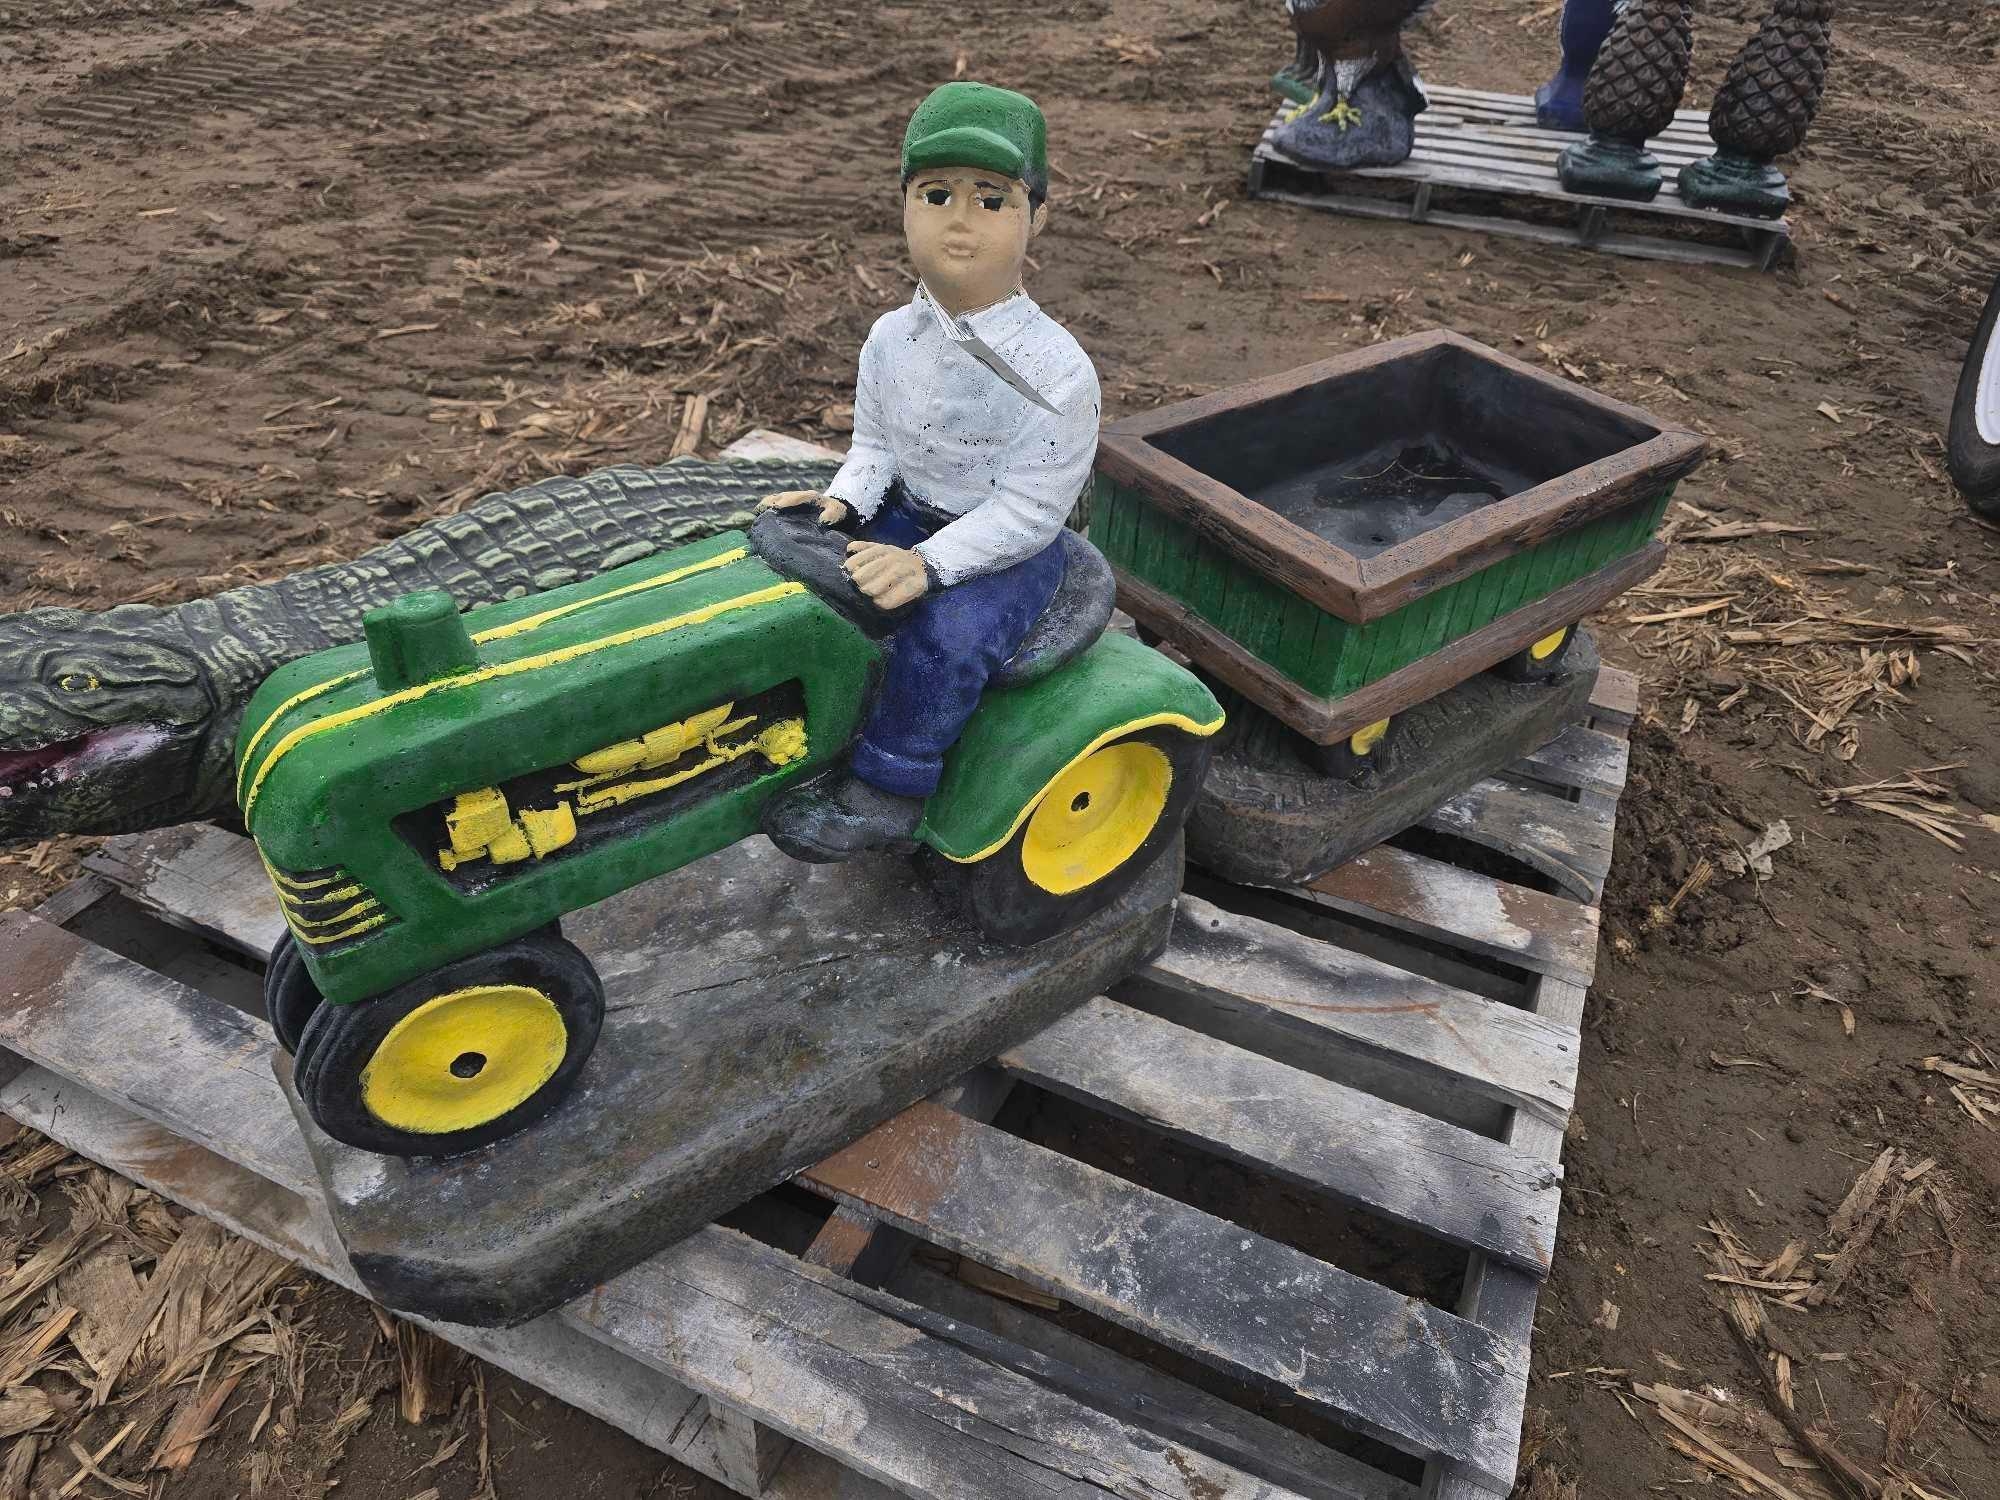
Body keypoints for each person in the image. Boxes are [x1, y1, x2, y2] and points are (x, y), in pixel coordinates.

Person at [759, 81, 1101, 861]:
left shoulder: (1059, 372)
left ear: (1035, 218)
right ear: (904, 207)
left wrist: (928, 564)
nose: (958, 221)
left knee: (949, 635)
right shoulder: (889, 338)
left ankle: (891, 782)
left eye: (992, 200)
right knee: (791, 562)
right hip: (908, 513)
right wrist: (842, 502)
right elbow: (875, 447)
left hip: (1004, 549)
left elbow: (1029, 512)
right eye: (936, 193)